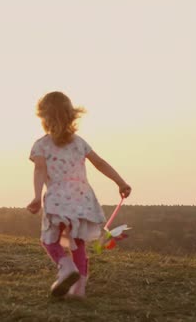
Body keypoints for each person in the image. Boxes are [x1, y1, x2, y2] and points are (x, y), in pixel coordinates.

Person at [27, 91, 131, 298]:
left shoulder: (41, 145)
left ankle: (66, 267)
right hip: (82, 198)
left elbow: (39, 170)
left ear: (44, 119)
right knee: (78, 242)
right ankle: (79, 289)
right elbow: (100, 163)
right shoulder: (79, 142)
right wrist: (120, 182)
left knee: (49, 240)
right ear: (71, 116)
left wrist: (37, 196)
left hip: (57, 198)